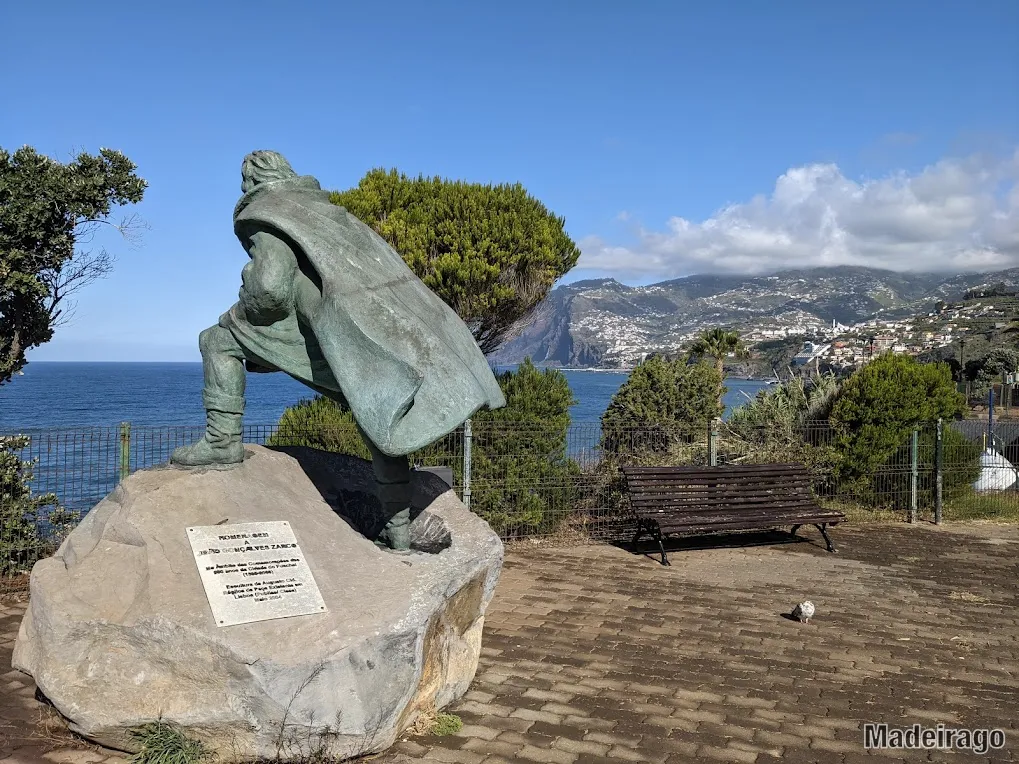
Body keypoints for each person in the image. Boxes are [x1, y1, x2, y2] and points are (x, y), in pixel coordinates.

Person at [171, 151, 505, 549]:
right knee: (381, 410)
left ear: (250, 183)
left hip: (320, 329)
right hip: (355, 328)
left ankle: (222, 441)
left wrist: (235, 314)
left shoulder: (267, 211)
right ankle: (398, 528)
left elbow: (270, 289)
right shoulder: (325, 211)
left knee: (216, 340)